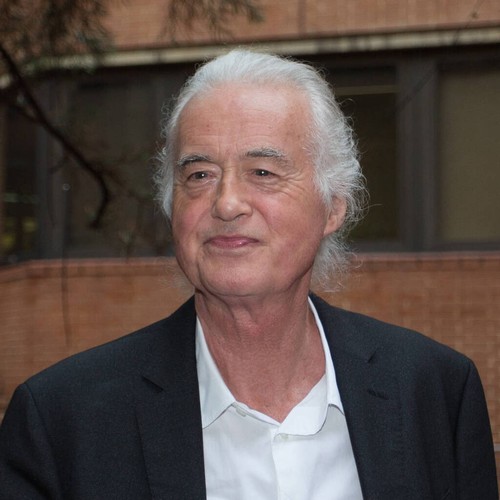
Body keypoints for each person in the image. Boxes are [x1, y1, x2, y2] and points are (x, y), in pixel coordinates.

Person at [0, 50, 497, 499]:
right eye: (199, 175)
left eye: (263, 172)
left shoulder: (435, 393)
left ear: (333, 206)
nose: (227, 203)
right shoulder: (61, 423)